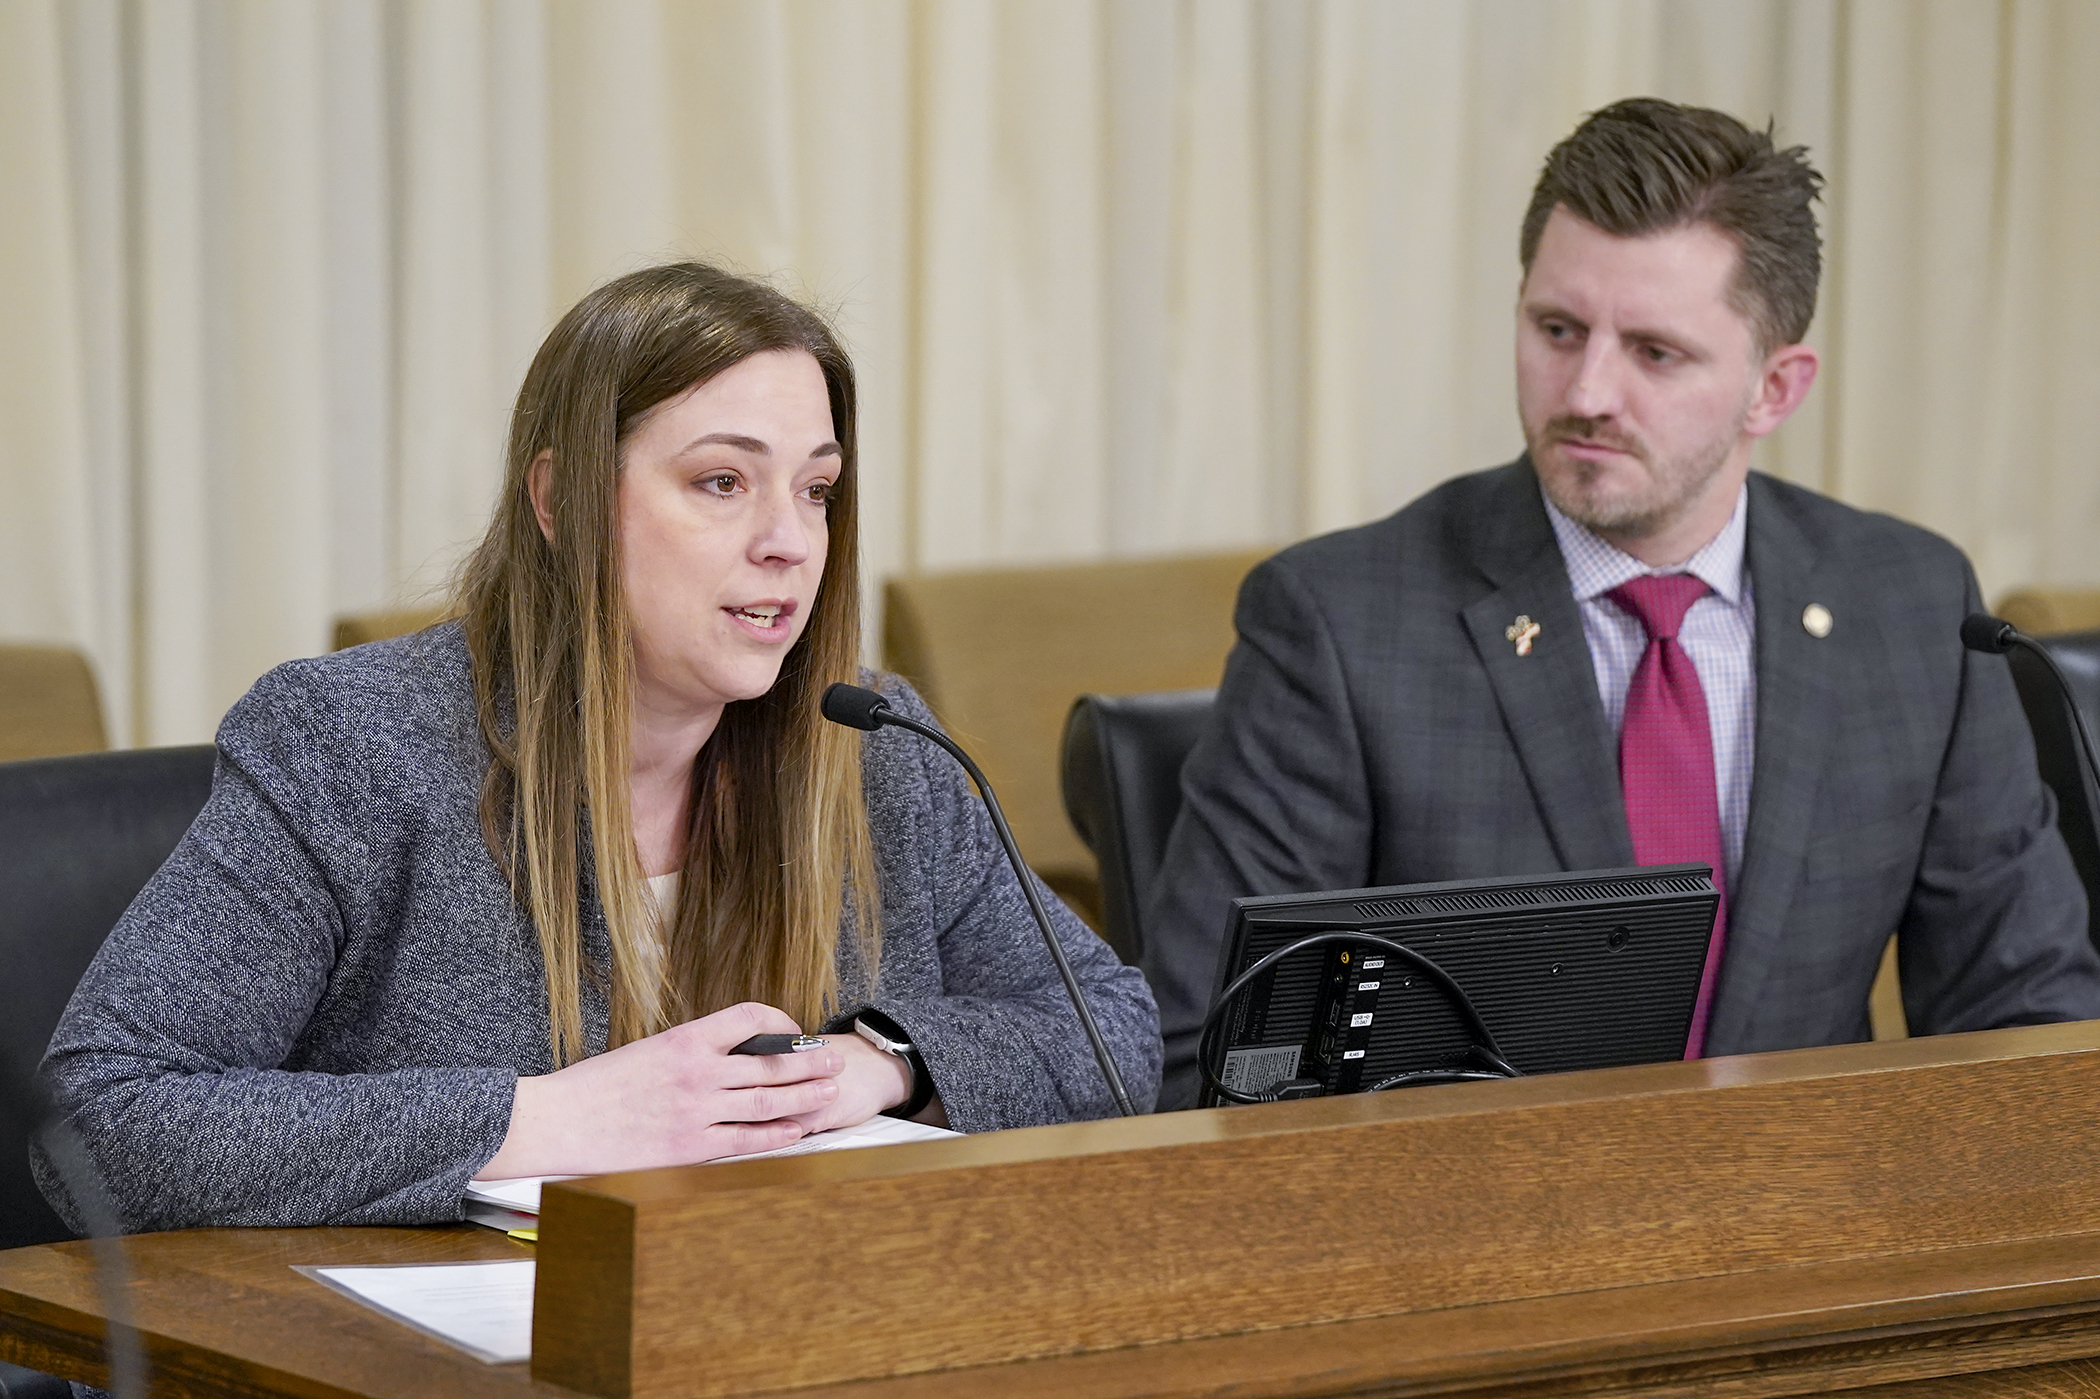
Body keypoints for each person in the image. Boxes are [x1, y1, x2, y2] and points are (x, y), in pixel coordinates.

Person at [35, 263, 1159, 1232]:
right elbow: (103, 1119)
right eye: (722, 482)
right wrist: (548, 1117)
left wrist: (874, 1068)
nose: (787, 544)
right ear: (563, 501)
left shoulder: (872, 743)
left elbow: (1111, 1033)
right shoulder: (355, 743)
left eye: (815, 490)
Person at [1144, 97, 2100, 1111]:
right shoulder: (1338, 624)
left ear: (1775, 389)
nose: (1587, 390)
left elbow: (2025, 1018)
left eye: (1654, 352)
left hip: (1808, 1234)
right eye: (1558, 329)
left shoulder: (1909, 609)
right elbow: (1205, 1064)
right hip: (1468, 1241)